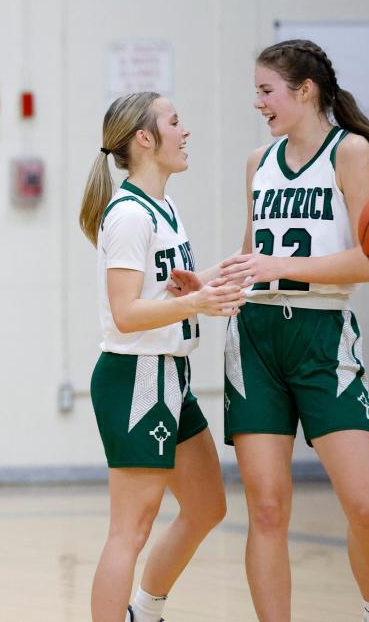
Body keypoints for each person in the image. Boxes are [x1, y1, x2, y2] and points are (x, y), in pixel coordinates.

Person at [219, 39, 369, 622]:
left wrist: (283, 267)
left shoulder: (351, 152)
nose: (259, 103)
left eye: (266, 91)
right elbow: (253, 257)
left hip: (323, 338)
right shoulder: (257, 162)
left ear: (305, 91)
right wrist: (212, 280)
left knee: (366, 506)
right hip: (256, 338)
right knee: (267, 510)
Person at [78, 91, 243, 622]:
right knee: (130, 529)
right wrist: (196, 302)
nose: (185, 131)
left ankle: (144, 611)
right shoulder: (127, 214)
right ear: (145, 139)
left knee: (206, 507)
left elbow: (160, 295)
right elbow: (126, 313)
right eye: (175, 122)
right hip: (136, 376)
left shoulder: (163, 205)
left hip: (171, 372)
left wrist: (219, 277)